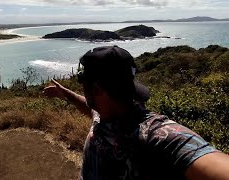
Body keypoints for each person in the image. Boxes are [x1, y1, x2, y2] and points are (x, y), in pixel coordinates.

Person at [43, 45, 229, 180]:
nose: (81, 87)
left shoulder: (157, 134)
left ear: (97, 89)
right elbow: (90, 107)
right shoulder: (104, 114)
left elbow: (210, 162)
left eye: (83, 81)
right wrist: (65, 93)